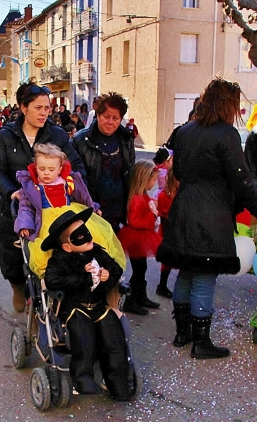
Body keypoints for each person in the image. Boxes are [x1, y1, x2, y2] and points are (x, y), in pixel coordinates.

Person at [156, 78, 257, 358]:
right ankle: (201, 343)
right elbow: (242, 181)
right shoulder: (225, 134)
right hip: (210, 212)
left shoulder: (185, 130)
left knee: (186, 271)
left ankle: (182, 334)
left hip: (184, 207)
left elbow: (172, 164)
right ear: (228, 104)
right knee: (204, 276)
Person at [0, 81, 85, 312]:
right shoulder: (6, 135)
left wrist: (70, 184)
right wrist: (11, 192)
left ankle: (44, 303)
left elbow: (76, 165)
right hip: (17, 206)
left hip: (51, 207)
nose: (45, 113)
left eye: (47, 108)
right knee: (12, 260)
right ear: (23, 108)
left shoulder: (57, 134)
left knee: (48, 258)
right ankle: (17, 287)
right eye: (39, 108)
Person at [42, 207, 132, 401]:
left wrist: (108, 275)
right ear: (67, 246)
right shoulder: (60, 260)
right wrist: (82, 276)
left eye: (87, 233)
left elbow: (115, 268)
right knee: (83, 337)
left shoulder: (98, 253)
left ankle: (118, 381)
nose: (87, 238)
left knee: (113, 333)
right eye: (79, 236)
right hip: (74, 307)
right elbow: (52, 280)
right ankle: (83, 379)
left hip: (98, 305)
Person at [72, 92, 145, 314]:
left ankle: (133, 296)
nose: (110, 122)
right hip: (94, 208)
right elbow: (78, 178)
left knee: (130, 254)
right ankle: (101, 304)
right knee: (101, 255)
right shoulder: (81, 140)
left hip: (120, 205)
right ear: (98, 115)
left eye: (115, 118)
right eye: (106, 117)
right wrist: (89, 205)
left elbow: (129, 171)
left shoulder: (125, 138)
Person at [14, 142, 126, 277]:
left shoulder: (66, 182)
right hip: (46, 219)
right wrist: (25, 224)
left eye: (51, 169)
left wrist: (93, 207)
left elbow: (82, 197)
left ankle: (97, 264)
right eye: (42, 169)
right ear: (35, 167)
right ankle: (58, 273)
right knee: (49, 249)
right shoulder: (32, 186)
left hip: (69, 214)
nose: (46, 173)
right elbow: (26, 207)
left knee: (92, 236)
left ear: (59, 169)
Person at [117, 160, 162, 312]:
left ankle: (140, 297)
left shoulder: (142, 195)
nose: (155, 183)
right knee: (138, 270)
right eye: (154, 180)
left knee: (141, 268)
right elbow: (135, 221)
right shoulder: (137, 198)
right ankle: (131, 301)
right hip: (136, 237)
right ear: (144, 179)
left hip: (140, 236)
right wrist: (152, 216)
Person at [156, 165, 178, 300]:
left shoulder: (181, 193)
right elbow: (164, 216)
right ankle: (162, 285)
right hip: (168, 231)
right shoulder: (164, 195)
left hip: (178, 231)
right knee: (168, 260)